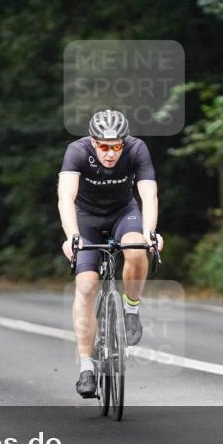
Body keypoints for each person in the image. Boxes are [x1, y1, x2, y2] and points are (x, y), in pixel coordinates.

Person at [57, 109, 163, 398]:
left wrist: (151, 232)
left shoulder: (137, 149)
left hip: (123, 214)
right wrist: (71, 236)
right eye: (104, 146)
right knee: (87, 286)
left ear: (124, 143)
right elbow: (65, 197)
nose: (110, 153)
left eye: (116, 146)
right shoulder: (76, 151)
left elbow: (149, 195)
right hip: (86, 219)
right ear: (93, 143)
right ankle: (86, 367)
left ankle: (131, 308)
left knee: (136, 247)